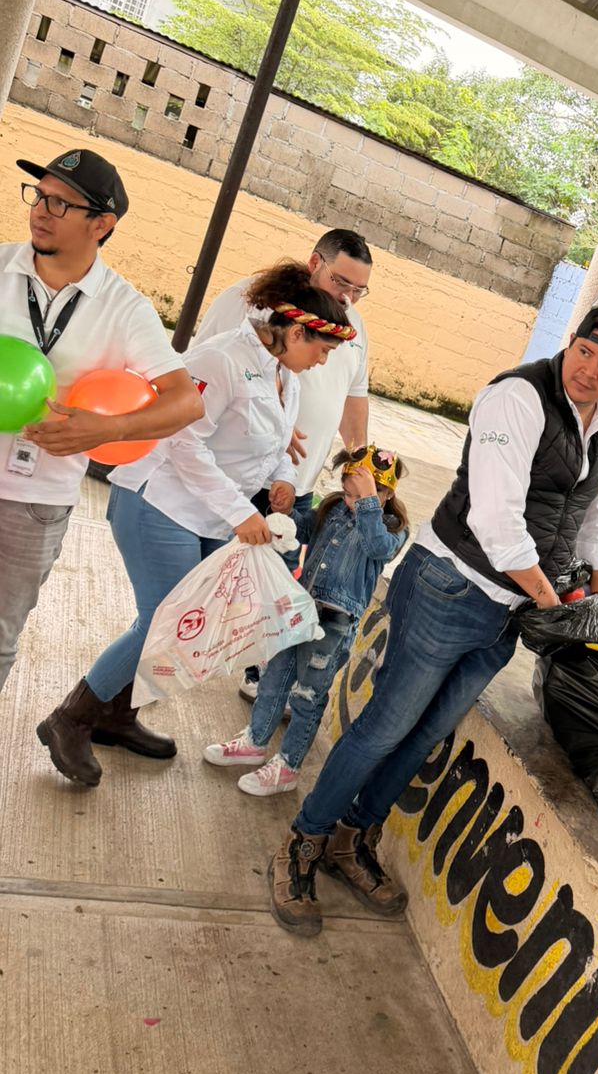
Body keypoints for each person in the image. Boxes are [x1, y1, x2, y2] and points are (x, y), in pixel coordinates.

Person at [266, 287, 598, 937]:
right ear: (570, 343)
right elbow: (497, 522)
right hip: (451, 586)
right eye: (582, 352)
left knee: (425, 736)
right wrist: (556, 606)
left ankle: (352, 840)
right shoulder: (518, 397)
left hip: (507, 614)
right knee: (385, 727)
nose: (588, 370)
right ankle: (303, 841)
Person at [36, 260, 356, 787]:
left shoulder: (285, 375)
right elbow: (181, 441)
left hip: (208, 513)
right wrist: (241, 513)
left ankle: (118, 715)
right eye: (322, 349)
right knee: (160, 623)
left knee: (186, 628)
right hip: (159, 502)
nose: (323, 362)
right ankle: (70, 719)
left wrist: (279, 479)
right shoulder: (221, 358)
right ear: (296, 331)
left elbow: (275, 440)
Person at [0, 149, 202, 699]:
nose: (40, 210)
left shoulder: (124, 307)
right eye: (38, 195)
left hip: (37, 502)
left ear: (102, 224)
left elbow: (186, 403)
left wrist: (105, 431)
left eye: (60, 203)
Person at [194, 229, 372, 702]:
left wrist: (359, 461)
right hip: (240, 471)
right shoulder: (249, 300)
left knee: (278, 575)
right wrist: (270, 418)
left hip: (297, 479)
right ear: (315, 262)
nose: (349, 297)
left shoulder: (353, 331)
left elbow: (355, 397)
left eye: (359, 290)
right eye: (342, 282)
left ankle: (259, 671)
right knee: (214, 576)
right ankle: (193, 647)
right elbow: (201, 370)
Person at [203, 444, 408, 796]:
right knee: (273, 678)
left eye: (357, 496)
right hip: (299, 610)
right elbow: (303, 529)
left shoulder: (390, 528)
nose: (348, 501)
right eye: (346, 493)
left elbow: (378, 549)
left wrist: (367, 504)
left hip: (334, 624)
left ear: (384, 495)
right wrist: (284, 514)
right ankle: (254, 741)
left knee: (307, 694)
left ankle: (288, 766)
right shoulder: (332, 508)